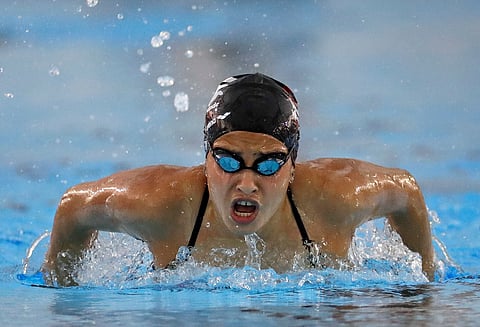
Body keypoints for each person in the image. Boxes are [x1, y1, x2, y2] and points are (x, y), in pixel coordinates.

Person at [42, 73, 435, 286]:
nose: (247, 183)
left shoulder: (335, 198)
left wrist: (421, 290)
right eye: (229, 161)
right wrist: (66, 295)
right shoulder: (162, 204)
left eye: (267, 165)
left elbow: (406, 191)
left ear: (292, 166)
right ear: (206, 158)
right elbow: (74, 207)